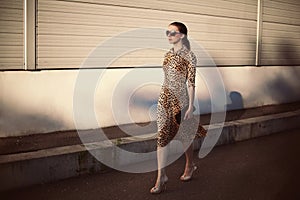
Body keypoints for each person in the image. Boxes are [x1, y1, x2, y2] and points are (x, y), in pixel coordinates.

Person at [150, 22, 207, 194]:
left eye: (172, 32)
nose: (169, 35)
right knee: (162, 137)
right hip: (164, 99)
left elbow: (191, 83)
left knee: (184, 136)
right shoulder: (167, 55)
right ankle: (161, 177)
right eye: (167, 32)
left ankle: (190, 165)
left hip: (181, 100)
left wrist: (190, 106)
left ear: (182, 35)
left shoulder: (190, 56)